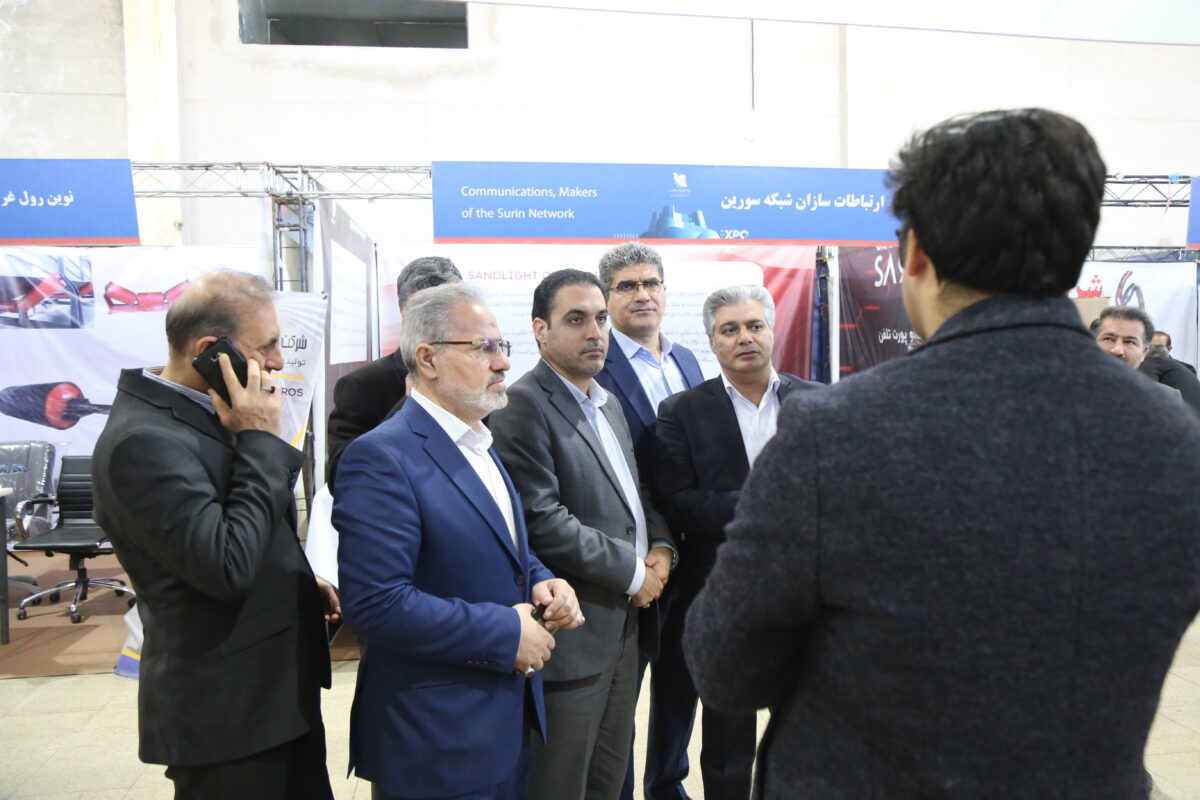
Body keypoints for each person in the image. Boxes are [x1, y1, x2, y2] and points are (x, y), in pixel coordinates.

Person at [685, 109, 1200, 799]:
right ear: (1076, 252)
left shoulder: (834, 433)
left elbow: (726, 668)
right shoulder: (1176, 442)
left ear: (918, 253)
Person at [91, 270, 337, 799]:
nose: (278, 361)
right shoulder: (143, 442)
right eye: (266, 346)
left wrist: (291, 581)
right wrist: (259, 439)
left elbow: (234, 529)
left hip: (273, 698)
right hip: (226, 718)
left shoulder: (206, 413)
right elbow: (225, 567)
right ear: (209, 351)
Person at [332, 283, 582, 800]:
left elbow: (501, 545)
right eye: (483, 347)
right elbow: (375, 604)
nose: (503, 363)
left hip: (502, 722)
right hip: (435, 739)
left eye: (502, 346)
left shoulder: (479, 440)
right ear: (428, 359)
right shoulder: (381, 457)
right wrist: (505, 631)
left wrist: (543, 580)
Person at [490, 269, 676, 800]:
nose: (595, 332)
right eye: (576, 320)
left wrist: (661, 547)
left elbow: (634, 491)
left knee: (608, 783)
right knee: (561, 785)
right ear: (540, 330)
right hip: (573, 639)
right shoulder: (522, 405)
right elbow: (542, 519)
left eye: (599, 318)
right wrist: (633, 573)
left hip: (625, 631)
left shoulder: (606, 402)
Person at [653, 284, 819, 800]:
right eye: (730, 329)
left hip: (810, 593)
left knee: (812, 722)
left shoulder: (819, 403)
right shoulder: (681, 411)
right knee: (728, 735)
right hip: (721, 593)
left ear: (772, 331)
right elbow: (679, 502)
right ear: (712, 341)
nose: (744, 337)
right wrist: (771, 503)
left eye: (754, 326)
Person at [593, 242, 704, 800]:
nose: (642, 294)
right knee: (621, 698)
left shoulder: (688, 360)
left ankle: (667, 786)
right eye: (628, 286)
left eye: (651, 283)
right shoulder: (596, 364)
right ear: (607, 297)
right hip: (633, 559)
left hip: (694, 552)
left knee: (681, 686)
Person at [325, 255, 461, 490]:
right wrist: (409, 405)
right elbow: (341, 476)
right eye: (424, 310)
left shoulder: (476, 375)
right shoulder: (362, 385)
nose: (436, 322)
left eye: (446, 309)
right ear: (402, 311)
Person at [1094, 306, 1186, 406]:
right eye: (1108, 339)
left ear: (1144, 352)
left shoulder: (1165, 398)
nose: (1117, 350)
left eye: (1129, 342)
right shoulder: (1079, 392)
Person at [1141, 344, 1200, 415]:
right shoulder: (1180, 366)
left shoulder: (1152, 362)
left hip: (1182, 416)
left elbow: (1146, 392)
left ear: (1145, 352)